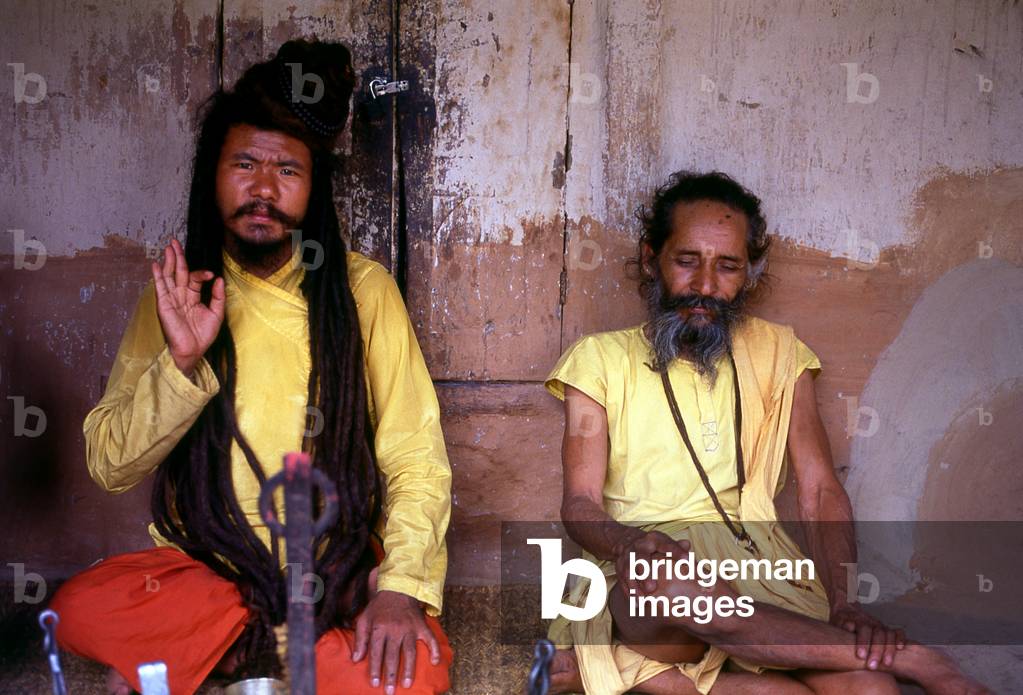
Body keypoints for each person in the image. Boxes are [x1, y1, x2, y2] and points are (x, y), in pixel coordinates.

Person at [49, 40, 453, 695]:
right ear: (213, 172)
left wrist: (402, 585)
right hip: (207, 568)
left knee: (414, 673)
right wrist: (183, 361)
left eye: (287, 170)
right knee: (81, 605)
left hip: (335, 566)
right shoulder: (180, 293)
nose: (263, 189)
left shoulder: (362, 290)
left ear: (313, 186)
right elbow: (109, 461)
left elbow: (415, 456)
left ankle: (236, 653)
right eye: (244, 164)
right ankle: (274, 639)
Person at [543, 171, 989, 694]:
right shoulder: (597, 359)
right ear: (650, 259)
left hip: (761, 573)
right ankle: (920, 661)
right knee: (675, 589)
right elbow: (579, 503)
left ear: (750, 273)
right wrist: (632, 543)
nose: (706, 286)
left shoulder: (782, 353)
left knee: (869, 689)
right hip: (646, 580)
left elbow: (820, 489)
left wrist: (844, 605)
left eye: (727, 266)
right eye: (687, 261)